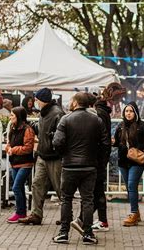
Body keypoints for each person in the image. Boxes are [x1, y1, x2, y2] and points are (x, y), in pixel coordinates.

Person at [51, 92, 110, 244]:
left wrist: (65, 154)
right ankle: (88, 234)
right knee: (87, 200)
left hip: (70, 166)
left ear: (76, 102)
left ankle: (64, 233)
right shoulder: (97, 120)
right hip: (90, 166)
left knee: (66, 199)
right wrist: (99, 161)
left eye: (71, 100)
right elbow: (105, 144)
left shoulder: (66, 119)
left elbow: (57, 142)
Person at [19, 88, 65, 225]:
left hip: (54, 157)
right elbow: (42, 129)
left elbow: (61, 135)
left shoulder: (58, 113)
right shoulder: (43, 113)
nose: (36, 102)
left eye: (37, 99)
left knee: (60, 188)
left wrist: (53, 142)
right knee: (37, 184)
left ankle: (66, 216)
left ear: (43, 100)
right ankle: (36, 214)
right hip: (42, 155)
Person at [71, 93, 113, 233]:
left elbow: (101, 139)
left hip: (95, 160)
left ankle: (83, 220)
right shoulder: (103, 113)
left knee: (93, 193)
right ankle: (100, 220)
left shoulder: (97, 115)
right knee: (97, 191)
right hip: (99, 158)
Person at [113, 101, 144, 227]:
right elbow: (116, 142)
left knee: (131, 184)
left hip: (137, 161)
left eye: (131, 111)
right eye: (126, 111)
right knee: (130, 188)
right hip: (123, 161)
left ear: (135, 112)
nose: (128, 113)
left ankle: (133, 213)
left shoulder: (143, 126)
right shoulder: (120, 126)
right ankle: (136, 213)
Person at [5, 106, 35, 223]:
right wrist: (8, 148)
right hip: (15, 163)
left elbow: (28, 148)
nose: (10, 117)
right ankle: (22, 212)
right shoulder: (13, 128)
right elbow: (8, 143)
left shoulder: (27, 130)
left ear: (19, 116)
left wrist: (14, 149)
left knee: (16, 187)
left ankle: (20, 212)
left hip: (25, 163)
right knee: (19, 187)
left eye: (12, 115)